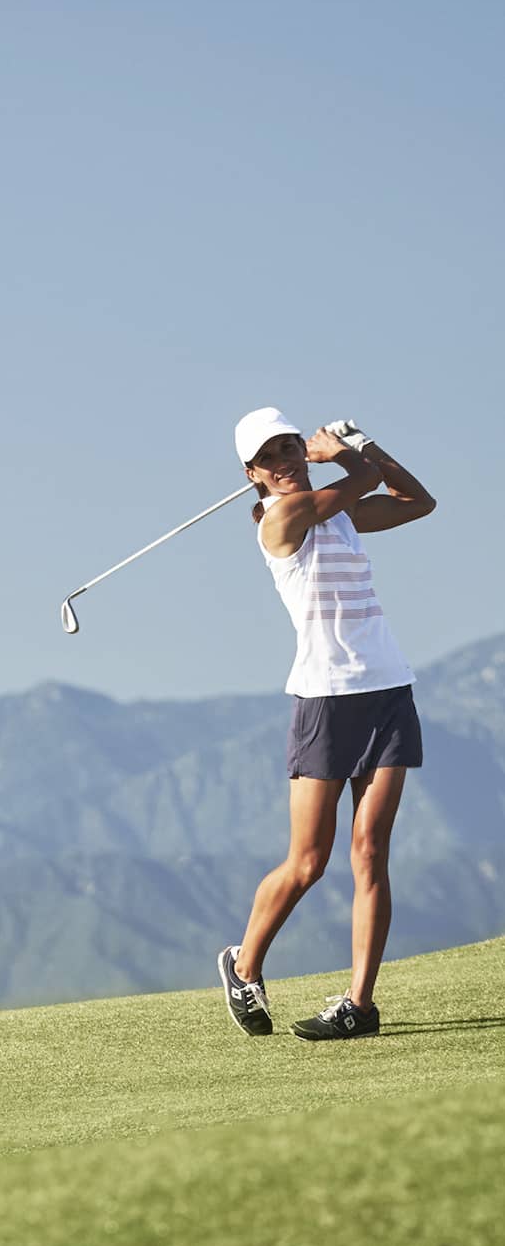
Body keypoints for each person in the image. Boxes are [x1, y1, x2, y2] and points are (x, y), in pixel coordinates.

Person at [217, 412, 435, 1042]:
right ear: (252, 476)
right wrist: (344, 452)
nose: (285, 456)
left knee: (370, 851)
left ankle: (360, 1006)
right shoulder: (280, 521)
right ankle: (244, 962)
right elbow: (361, 479)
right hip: (325, 701)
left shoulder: (338, 514)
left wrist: (363, 448)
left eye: (290, 444)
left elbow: (417, 501)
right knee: (309, 861)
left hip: (388, 688)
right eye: (270, 455)